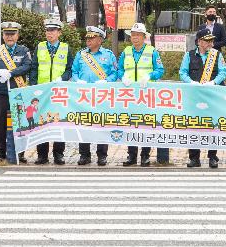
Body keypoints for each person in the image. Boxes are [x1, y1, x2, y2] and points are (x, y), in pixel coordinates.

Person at [119, 22, 167, 168]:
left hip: (146, 94)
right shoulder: (126, 51)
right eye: (133, 35)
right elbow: (120, 69)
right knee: (131, 124)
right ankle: (131, 156)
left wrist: (149, 76)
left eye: (138, 35)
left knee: (146, 124)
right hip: (129, 94)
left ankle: (145, 156)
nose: (135, 38)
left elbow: (160, 70)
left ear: (144, 37)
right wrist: (123, 77)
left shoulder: (152, 51)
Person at [0, 21, 33, 166]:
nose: (9, 37)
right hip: (2, 93)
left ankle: (20, 154)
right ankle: (0, 153)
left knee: (20, 123)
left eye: (12, 34)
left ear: (17, 35)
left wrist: (11, 73)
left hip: (19, 92)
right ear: (3, 36)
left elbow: (27, 66)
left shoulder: (24, 51)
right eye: (7, 34)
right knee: (1, 123)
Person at [71, 26, 119, 166]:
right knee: (84, 123)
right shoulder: (81, 54)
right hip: (84, 95)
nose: (88, 40)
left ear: (99, 40)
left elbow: (115, 73)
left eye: (91, 38)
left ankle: (102, 155)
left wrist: (106, 81)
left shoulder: (109, 55)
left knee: (102, 124)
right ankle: (84, 155)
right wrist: (77, 80)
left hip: (101, 95)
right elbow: (74, 71)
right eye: (87, 38)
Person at [180, 27, 226, 168]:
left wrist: (213, 82)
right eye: (207, 41)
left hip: (213, 96)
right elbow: (182, 73)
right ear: (199, 42)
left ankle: (213, 156)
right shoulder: (189, 55)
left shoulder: (216, 55)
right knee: (194, 125)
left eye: (212, 41)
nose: (210, 44)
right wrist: (191, 82)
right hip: (195, 96)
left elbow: (223, 72)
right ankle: (194, 157)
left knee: (213, 125)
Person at [32, 19, 70, 165]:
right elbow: (34, 67)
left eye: (53, 30)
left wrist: (63, 78)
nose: (50, 33)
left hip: (59, 92)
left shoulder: (66, 48)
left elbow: (69, 68)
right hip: (42, 92)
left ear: (59, 32)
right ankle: (42, 155)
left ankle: (59, 154)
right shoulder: (40, 47)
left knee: (59, 122)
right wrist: (34, 86)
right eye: (48, 30)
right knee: (41, 123)